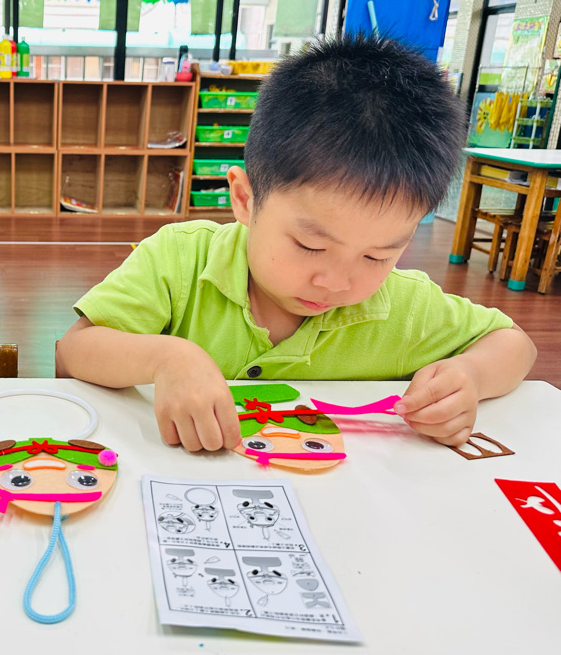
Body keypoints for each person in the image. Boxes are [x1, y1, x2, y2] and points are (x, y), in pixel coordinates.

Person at [56, 34, 536, 452]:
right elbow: (72, 353)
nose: (336, 281)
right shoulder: (181, 259)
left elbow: (514, 345)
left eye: (378, 255)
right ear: (245, 199)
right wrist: (167, 358)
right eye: (309, 245)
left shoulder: (403, 306)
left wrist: (469, 376)